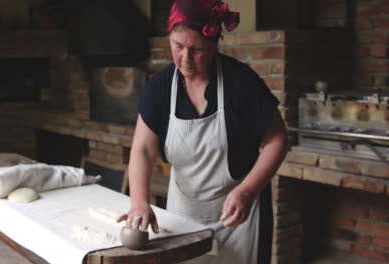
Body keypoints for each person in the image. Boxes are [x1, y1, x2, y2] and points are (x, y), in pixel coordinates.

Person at [117, 0, 289, 263]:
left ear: (214, 44)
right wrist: (140, 202)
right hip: (182, 214)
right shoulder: (161, 87)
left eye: (195, 49)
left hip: (239, 219)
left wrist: (248, 190)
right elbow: (142, 149)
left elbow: (277, 140)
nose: (184, 59)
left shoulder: (240, 83)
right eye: (177, 47)